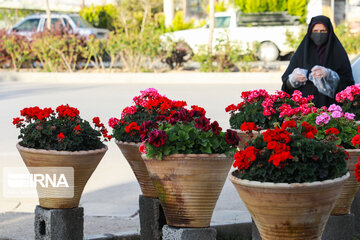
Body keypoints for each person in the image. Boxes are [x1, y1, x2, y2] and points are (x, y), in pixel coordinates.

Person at [281, 15, 354, 107]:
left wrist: (329, 75)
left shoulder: (338, 53)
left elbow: (348, 82)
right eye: (315, 31)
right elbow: (286, 84)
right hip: (305, 109)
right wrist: (293, 79)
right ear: (310, 32)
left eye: (323, 31)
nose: (319, 34)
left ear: (329, 32)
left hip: (331, 109)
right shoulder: (301, 53)